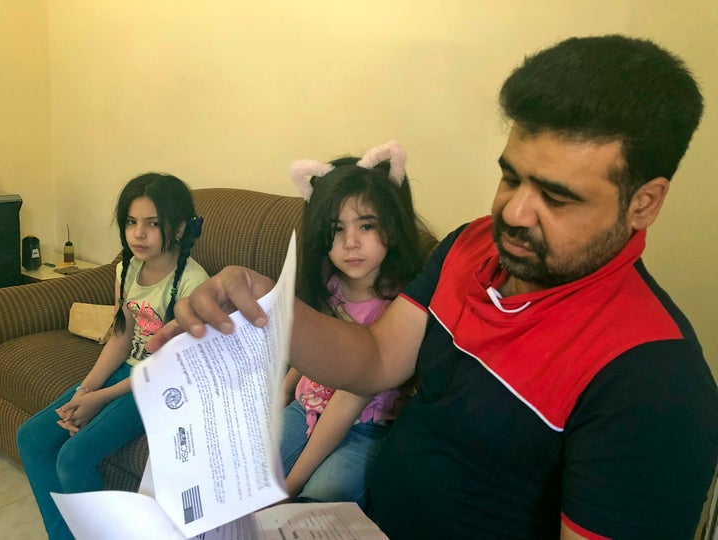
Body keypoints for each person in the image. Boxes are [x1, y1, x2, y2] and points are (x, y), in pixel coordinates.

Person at [149, 35, 718, 539]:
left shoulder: (653, 380)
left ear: (644, 202)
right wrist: (266, 302)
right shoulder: (471, 245)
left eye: (557, 197)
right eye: (511, 176)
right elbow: (375, 357)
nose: (515, 212)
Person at [17, 173, 210, 539]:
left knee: (74, 458)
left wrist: (100, 398)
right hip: (125, 372)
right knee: (33, 439)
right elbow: (122, 336)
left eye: (153, 224)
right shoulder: (126, 268)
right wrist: (85, 390)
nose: (139, 234)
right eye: (132, 222)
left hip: (162, 385)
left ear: (180, 228)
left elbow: (167, 367)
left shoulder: (192, 285)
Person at [280, 141, 429, 509]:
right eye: (336, 228)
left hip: (368, 427)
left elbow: (350, 399)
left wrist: (291, 486)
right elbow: (310, 349)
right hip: (306, 407)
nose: (350, 242)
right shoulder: (326, 284)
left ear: (391, 227)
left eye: (366, 225)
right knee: (249, 471)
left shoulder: (399, 308)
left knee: (319, 502)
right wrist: (281, 396)